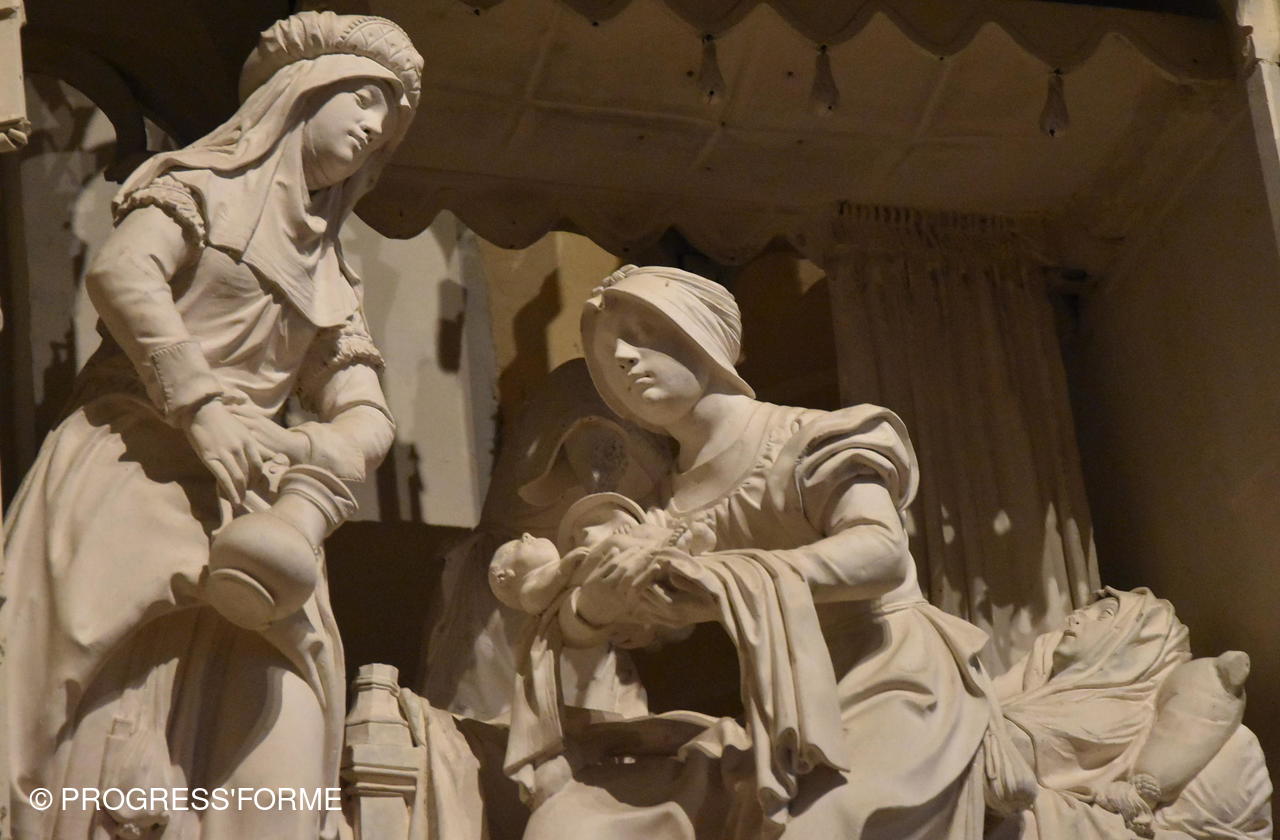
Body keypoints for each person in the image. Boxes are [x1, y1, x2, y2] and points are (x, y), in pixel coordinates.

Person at [0, 12, 421, 838]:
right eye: (366, 100)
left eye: (390, 124)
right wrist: (200, 405)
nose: (375, 128)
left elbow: (365, 406)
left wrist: (309, 447)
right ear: (304, 92)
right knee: (86, 706)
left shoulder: (331, 269)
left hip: (255, 508)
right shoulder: (197, 188)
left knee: (287, 727)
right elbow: (124, 274)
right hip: (134, 463)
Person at [506, 265, 1033, 840]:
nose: (624, 359)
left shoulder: (811, 440)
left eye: (642, 333)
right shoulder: (662, 507)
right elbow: (613, 622)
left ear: (702, 336)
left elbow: (882, 552)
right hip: (783, 704)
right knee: (574, 823)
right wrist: (592, 609)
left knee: (818, 830)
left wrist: (721, 578)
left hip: (894, 680)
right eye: (609, 352)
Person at [993, 587, 1273, 840]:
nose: (1075, 617)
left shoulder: (1152, 726)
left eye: (1104, 614)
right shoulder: (1033, 696)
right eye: (1083, 611)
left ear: (1141, 644)